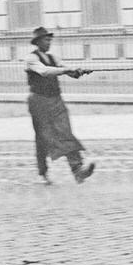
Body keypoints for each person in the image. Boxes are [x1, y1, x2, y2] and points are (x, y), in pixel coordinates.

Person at [24, 27, 96, 185]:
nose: (48, 42)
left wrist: (78, 72)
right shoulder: (31, 59)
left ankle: (78, 170)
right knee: (43, 137)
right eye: (45, 39)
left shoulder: (53, 57)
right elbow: (44, 71)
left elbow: (65, 69)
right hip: (39, 102)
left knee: (65, 132)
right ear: (37, 42)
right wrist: (66, 70)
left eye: (50, 39)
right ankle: (42, 173)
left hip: (56, 100)